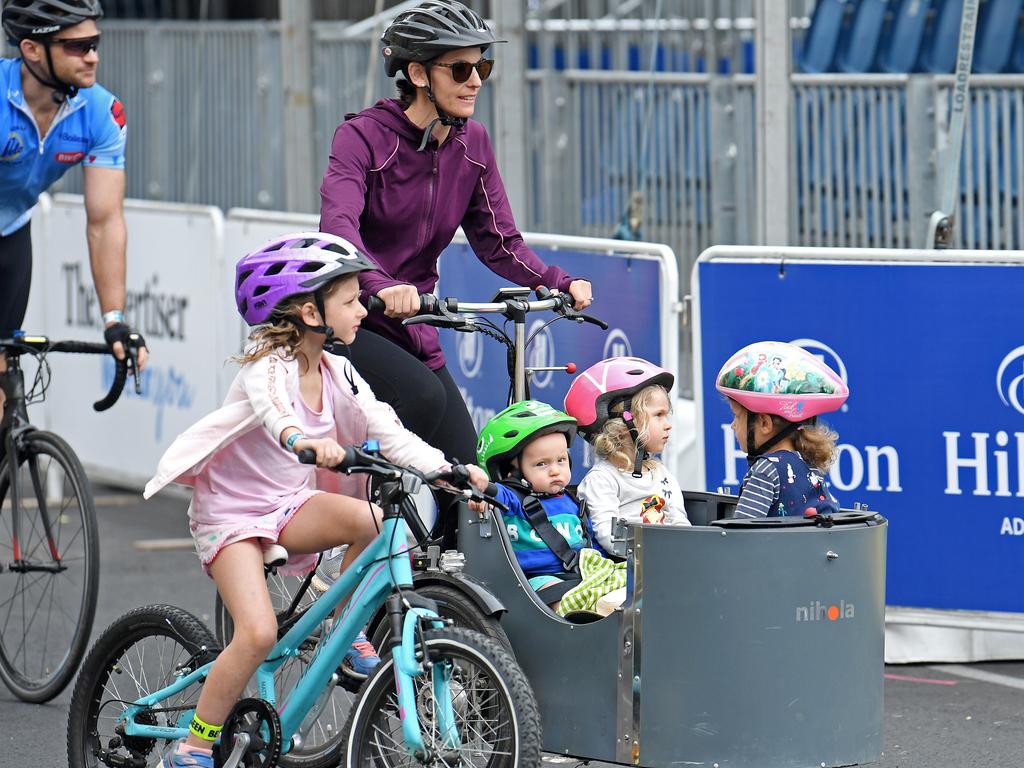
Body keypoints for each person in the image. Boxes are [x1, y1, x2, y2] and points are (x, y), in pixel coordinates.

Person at [142, 232, 490, 768]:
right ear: (310, 311)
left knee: (375, 522)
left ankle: (341, 626)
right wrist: (303, 443)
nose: (363, 309)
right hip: (232, 515)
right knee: (256, 631)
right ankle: (193, 744)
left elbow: (389, 431)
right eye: (350, 300)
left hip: (284, 503)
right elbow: (276, 413)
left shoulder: (340, 370)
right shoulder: (269, 368)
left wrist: (448, 468)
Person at [319, 0, 592, 469]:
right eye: (461, 67)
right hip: (352, 319)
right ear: (419, 74)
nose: (476, 80)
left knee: (470, 481)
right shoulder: (363, 139)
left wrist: (557, 281)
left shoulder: (473, 144)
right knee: (422, 399)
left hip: (415, 324)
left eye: (483, 64)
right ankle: (372, 520)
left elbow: (499, 240)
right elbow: (338, 230)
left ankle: (438, 542)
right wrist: (380, 287)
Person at [0, 0, 147, 369]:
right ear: (31, 50)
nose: (92, 57)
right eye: (77, 47)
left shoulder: (102, 113)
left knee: (4, 367)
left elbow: (105, 221)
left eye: (94, 44)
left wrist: (114, 319)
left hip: (12, 229)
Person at [476, 400, 608, 610]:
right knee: (581, 604)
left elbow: (592, 543)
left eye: (561, 460)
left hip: (579, 576)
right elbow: (497, 494)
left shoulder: (572, 503)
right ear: (512, 473)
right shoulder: (515, 499)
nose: (555, 470)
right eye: (541, 464)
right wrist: (482, 488)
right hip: (538, 583)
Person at [565, 357, 691, 552]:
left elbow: (680, 522)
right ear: (625, 423)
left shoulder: (661, 474)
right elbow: (609, 537)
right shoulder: (602, 479)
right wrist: (654, 555)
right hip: (628, 569)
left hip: (669, 562)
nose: (668, 424)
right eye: (658, 415)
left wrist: (686, 551)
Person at [715, 341, 848, 519]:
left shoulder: (765, 470)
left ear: (764, 423)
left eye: (736, 416)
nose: (733, 425)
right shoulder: (808, 465)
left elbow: (740, 536)